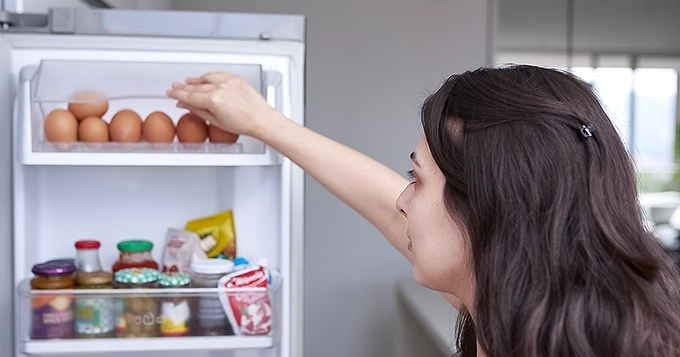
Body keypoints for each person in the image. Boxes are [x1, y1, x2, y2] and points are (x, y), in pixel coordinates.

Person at [167, 65, 680, 357]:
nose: (401, 199)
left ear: (489, 211)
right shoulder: (540, 299)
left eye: (417, 180)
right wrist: (266, 123)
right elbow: (393, 211)